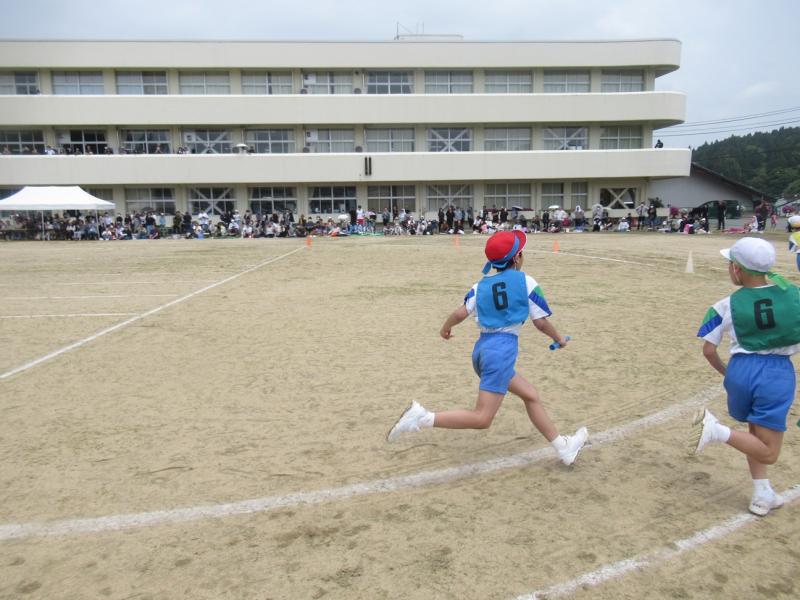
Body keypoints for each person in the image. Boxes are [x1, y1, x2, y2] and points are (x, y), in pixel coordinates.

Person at [387, 230, 589, 466]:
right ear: (516, 258)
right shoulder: (526, 282)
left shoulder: (480, 286)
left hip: (482, 352)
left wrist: (445, 328)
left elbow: (460, 313)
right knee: (482, 418)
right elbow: (541, 322)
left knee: (531, 395)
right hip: (501, 353)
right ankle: (422, 418)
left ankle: (563, 447)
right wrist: (559, 338)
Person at [690, 237, 800, 516]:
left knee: (755, 433)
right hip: (776, 372)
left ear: (737, 269)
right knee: (769, 451)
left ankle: (762, 493)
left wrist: (730, 374)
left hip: (739, 370)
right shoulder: (794, 296)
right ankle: (716, 431)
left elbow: (708, 351)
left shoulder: (725, 305)